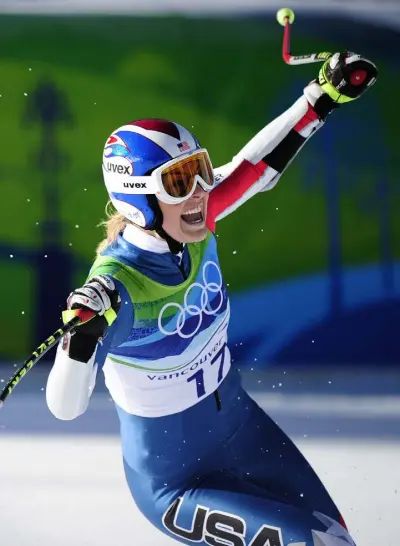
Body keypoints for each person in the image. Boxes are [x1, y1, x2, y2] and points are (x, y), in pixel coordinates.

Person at [46, 52, 377, 545]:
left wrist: (320, 98)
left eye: (199, 169)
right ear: (137, 198)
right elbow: (65, 406)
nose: (202, 191)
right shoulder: (118, 285)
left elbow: (253, 167)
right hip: (177, 484)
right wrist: (80, 340)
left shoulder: (190, 224)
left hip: (244, 434)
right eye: (180, 181)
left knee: (336, 538)